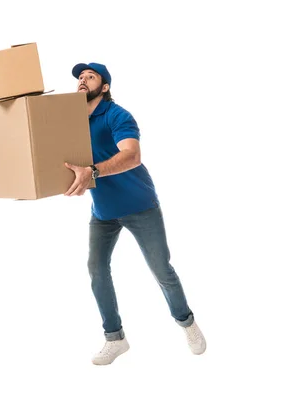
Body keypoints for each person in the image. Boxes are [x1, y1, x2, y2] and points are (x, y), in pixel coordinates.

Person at [64, 62, 206, 366]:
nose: (82, 80)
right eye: (79, 76)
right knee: (96, 270)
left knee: (161, 270)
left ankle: (187, 322)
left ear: (104, 87)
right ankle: (115, 338)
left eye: (90, 76)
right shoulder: (70, 121)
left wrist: (93, 171)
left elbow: (132, 155)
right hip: (102, 211)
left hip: (140, 205)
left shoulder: (118, 115)